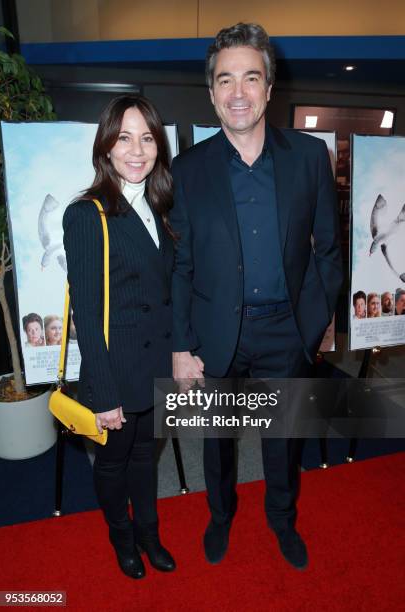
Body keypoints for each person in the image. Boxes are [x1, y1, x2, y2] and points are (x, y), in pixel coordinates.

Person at [170, 23, 343, 570]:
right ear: (213, 92)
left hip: (285, 332)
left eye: (251, 77)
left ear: (269, 88)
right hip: (214, 334)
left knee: (282, 439)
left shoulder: (311, 157)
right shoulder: (187, 169)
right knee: (215, 439)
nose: (238, 92)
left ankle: (281, 519)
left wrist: (310, 327)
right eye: (226, 80)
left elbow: (330, 252)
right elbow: (180, 264)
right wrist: (181, 344)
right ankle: (220, 516)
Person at [63, 95, 176, 579]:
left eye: (147, 138)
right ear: (106, 147)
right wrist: (105, 396)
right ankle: (121, 534)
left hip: (156, 366)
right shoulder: (87, 214)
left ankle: (149, 532)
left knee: (145, 459)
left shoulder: (163, 207)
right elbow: (87, 314)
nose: (136, 150)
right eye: (124, 137)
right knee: (113, 463)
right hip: (116, 369)